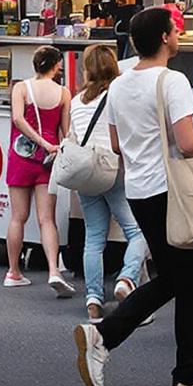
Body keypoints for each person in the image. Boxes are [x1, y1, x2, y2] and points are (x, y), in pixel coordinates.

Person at [76, 6, 193, 386]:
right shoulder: (174, 81)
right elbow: (187, 143)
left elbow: (116, 144)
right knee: (190, 280)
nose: (179, 34)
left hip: (140, 191)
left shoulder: (120, 84)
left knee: (177, 279)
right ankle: (183, 371)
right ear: (164, 38)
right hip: (172, 191)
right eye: (175, 29)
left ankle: (164, 360)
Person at [66, 42, 148, 322]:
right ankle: (126, 278)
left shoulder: (77, 101)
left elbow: (72, 135)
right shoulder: (119, 95)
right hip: (114, 170)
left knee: (94, 238)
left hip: (86, 175)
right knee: (137, 231)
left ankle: (93, 300)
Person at [4, 45, 74, 295]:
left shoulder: (21, 88)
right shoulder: (64, 93)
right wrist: (50, 145)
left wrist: (38, 141)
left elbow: (17, 119)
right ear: (55, 66)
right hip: (48, 159)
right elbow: (66, 132)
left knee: (17, 217)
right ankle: (54, 270)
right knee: (47, 219)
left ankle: (13, 271)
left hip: (20, 156)